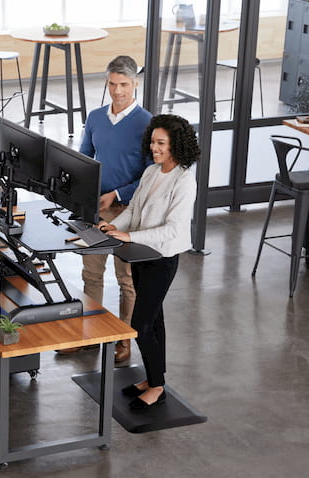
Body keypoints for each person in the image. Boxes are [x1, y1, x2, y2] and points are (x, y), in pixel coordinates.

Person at [100, 114, 200, 410]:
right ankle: (155, 378)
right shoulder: (152, 172)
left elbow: (172, 230)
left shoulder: (184, 181)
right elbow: (135, 210)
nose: (154, 148)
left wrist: (128, 235)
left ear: (176, 146)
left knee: (142, 324)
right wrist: (113, 226)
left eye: (161, 143)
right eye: (153, 142)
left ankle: (157, 386)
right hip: (141, 254)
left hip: (161, 258)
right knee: (155, 321)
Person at [76, 55, 152, 363]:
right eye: (112, 84)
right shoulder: (95, 117)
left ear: (136, 84)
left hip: (129, 213)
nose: (117, 91)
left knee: (127, 280)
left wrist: (117, 193)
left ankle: (124, 339)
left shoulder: (147, 123)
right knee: (91, 274)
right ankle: (90, 334)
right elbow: (84, 157)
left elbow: (151, 178)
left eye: (124, 84)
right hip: (97, 210)